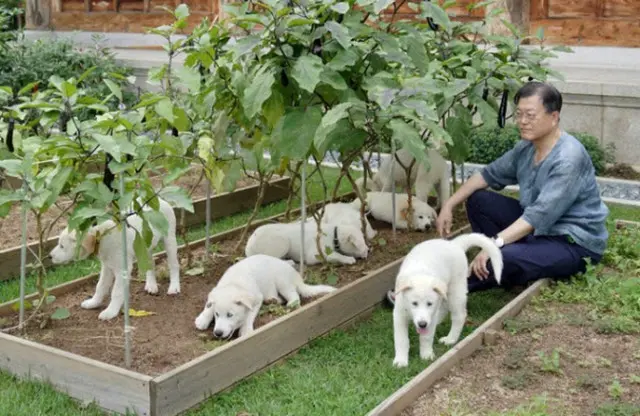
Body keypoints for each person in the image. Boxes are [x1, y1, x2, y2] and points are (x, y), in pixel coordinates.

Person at [385, 81, 609, 305]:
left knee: (502, 257)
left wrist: (495, 244)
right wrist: (449, 205)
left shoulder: (568, 159)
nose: (522, 121)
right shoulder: (526, 148)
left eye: (530, 115)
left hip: (571, 243)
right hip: (538, 231)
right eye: (519, 114)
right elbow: (486, 176)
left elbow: (537, 217)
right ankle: (513, 261)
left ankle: (431, 292)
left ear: (554, 117)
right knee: (478, 200)